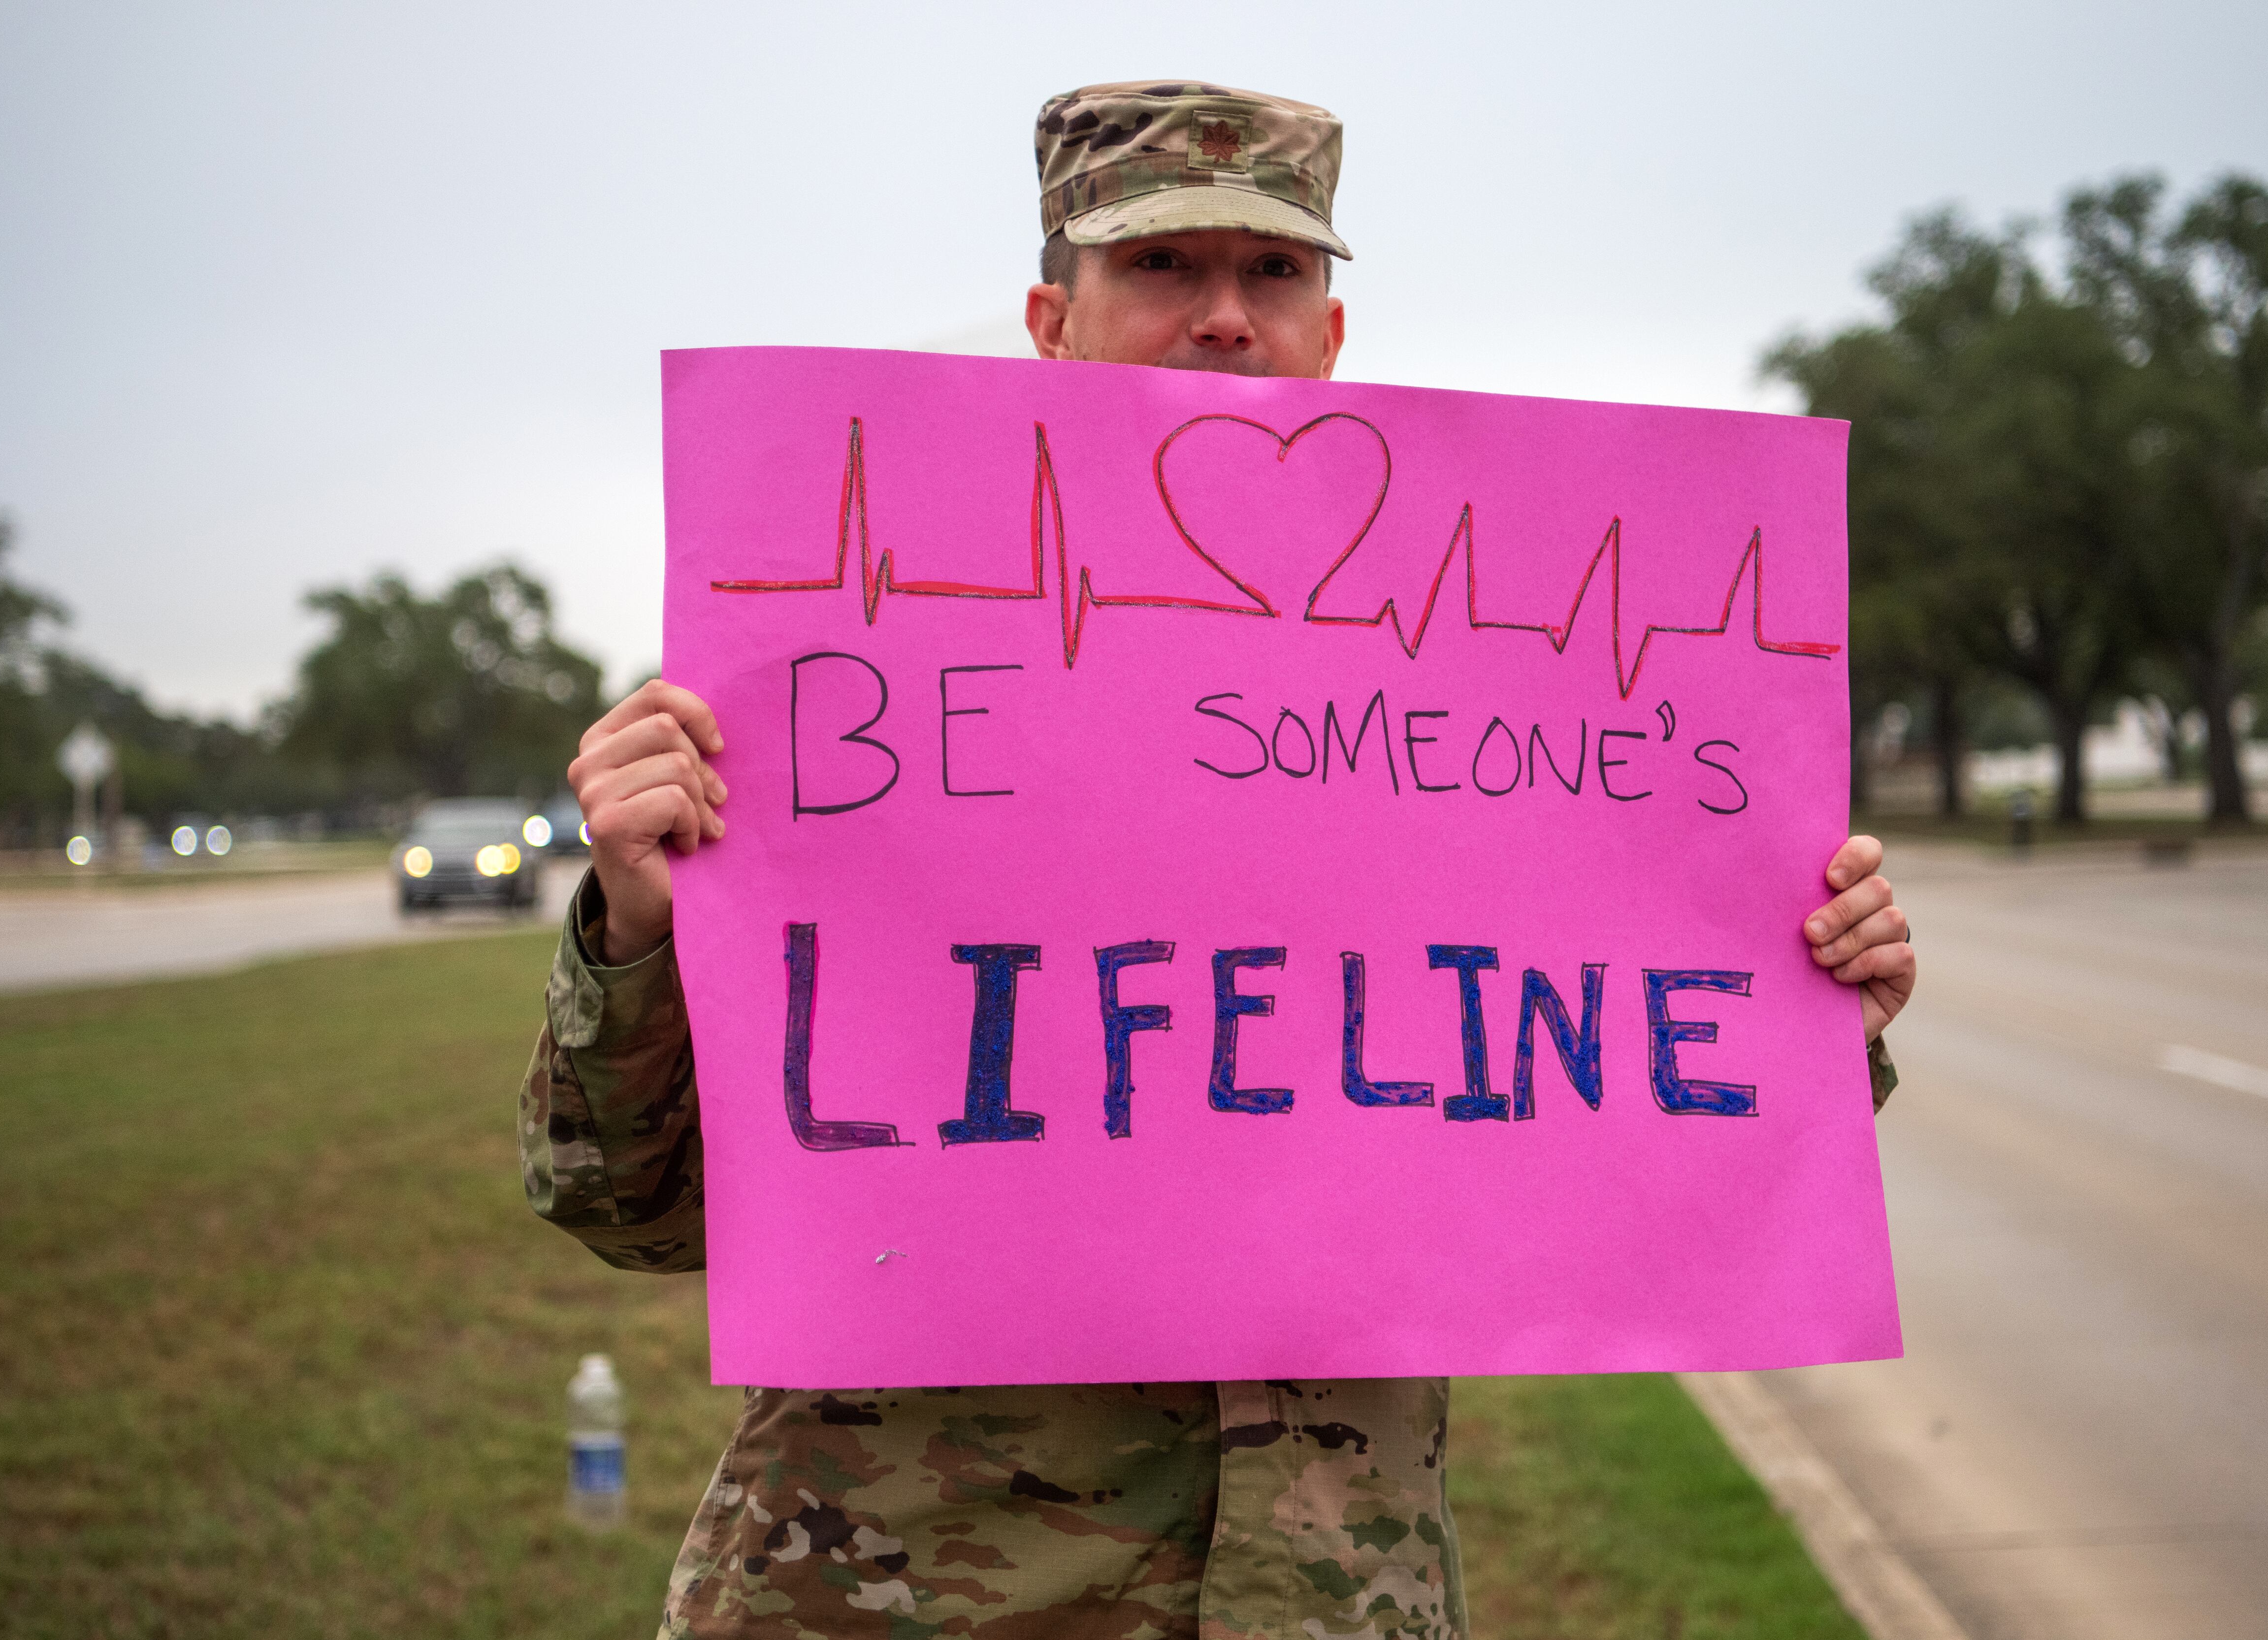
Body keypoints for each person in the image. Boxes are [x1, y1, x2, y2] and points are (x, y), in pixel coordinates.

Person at [521, 80, 1917, 1640]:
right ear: (1054, 320)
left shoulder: (1484, 684)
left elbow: (1620, 1154)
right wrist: (639, 924)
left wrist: (1810, 1002)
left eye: (1275, 274)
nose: (1225, 320)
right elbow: (631, 1212)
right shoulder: (839, 682)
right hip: (900, 1596)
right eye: (1163, 268)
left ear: (1332, 331)